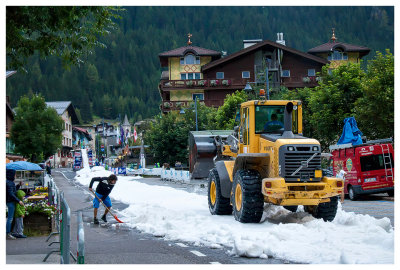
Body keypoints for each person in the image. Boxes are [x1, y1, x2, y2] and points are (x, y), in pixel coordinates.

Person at [6, 169, 24, 240]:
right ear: (12, 175)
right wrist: (18, 200)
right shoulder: (9, 183)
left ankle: (9, 232)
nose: (15, 175)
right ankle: (7, 234)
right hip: (10, 202)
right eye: (15, 174)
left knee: (10, 218)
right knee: (10, 219)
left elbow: (13, 191)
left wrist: (18, 185)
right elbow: (11, 194)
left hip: (10, 201)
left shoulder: (10, 182)